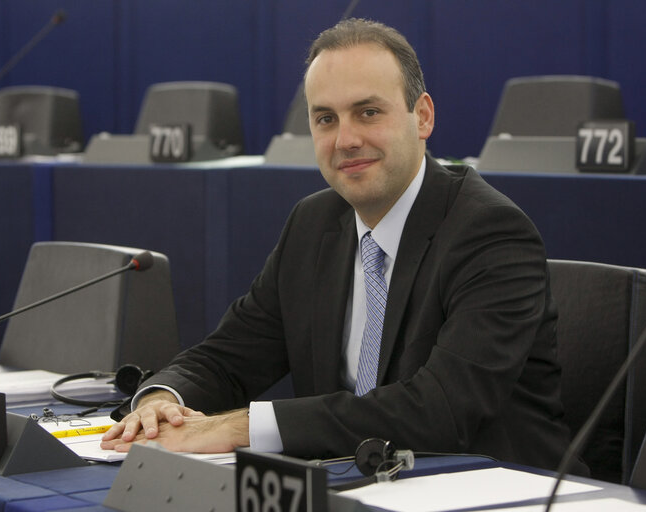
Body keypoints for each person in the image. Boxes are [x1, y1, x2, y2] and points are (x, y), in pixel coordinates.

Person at [101, 17, 580, 473]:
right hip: (356, 481)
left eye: (368, 112)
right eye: (325, 119)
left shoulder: (490, 232)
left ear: (423, 117)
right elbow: (228, 356)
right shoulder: (314, 223)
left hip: (501, 488)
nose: (345, 139)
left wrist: (241, 426)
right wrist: (163, 401)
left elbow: (440, 412)